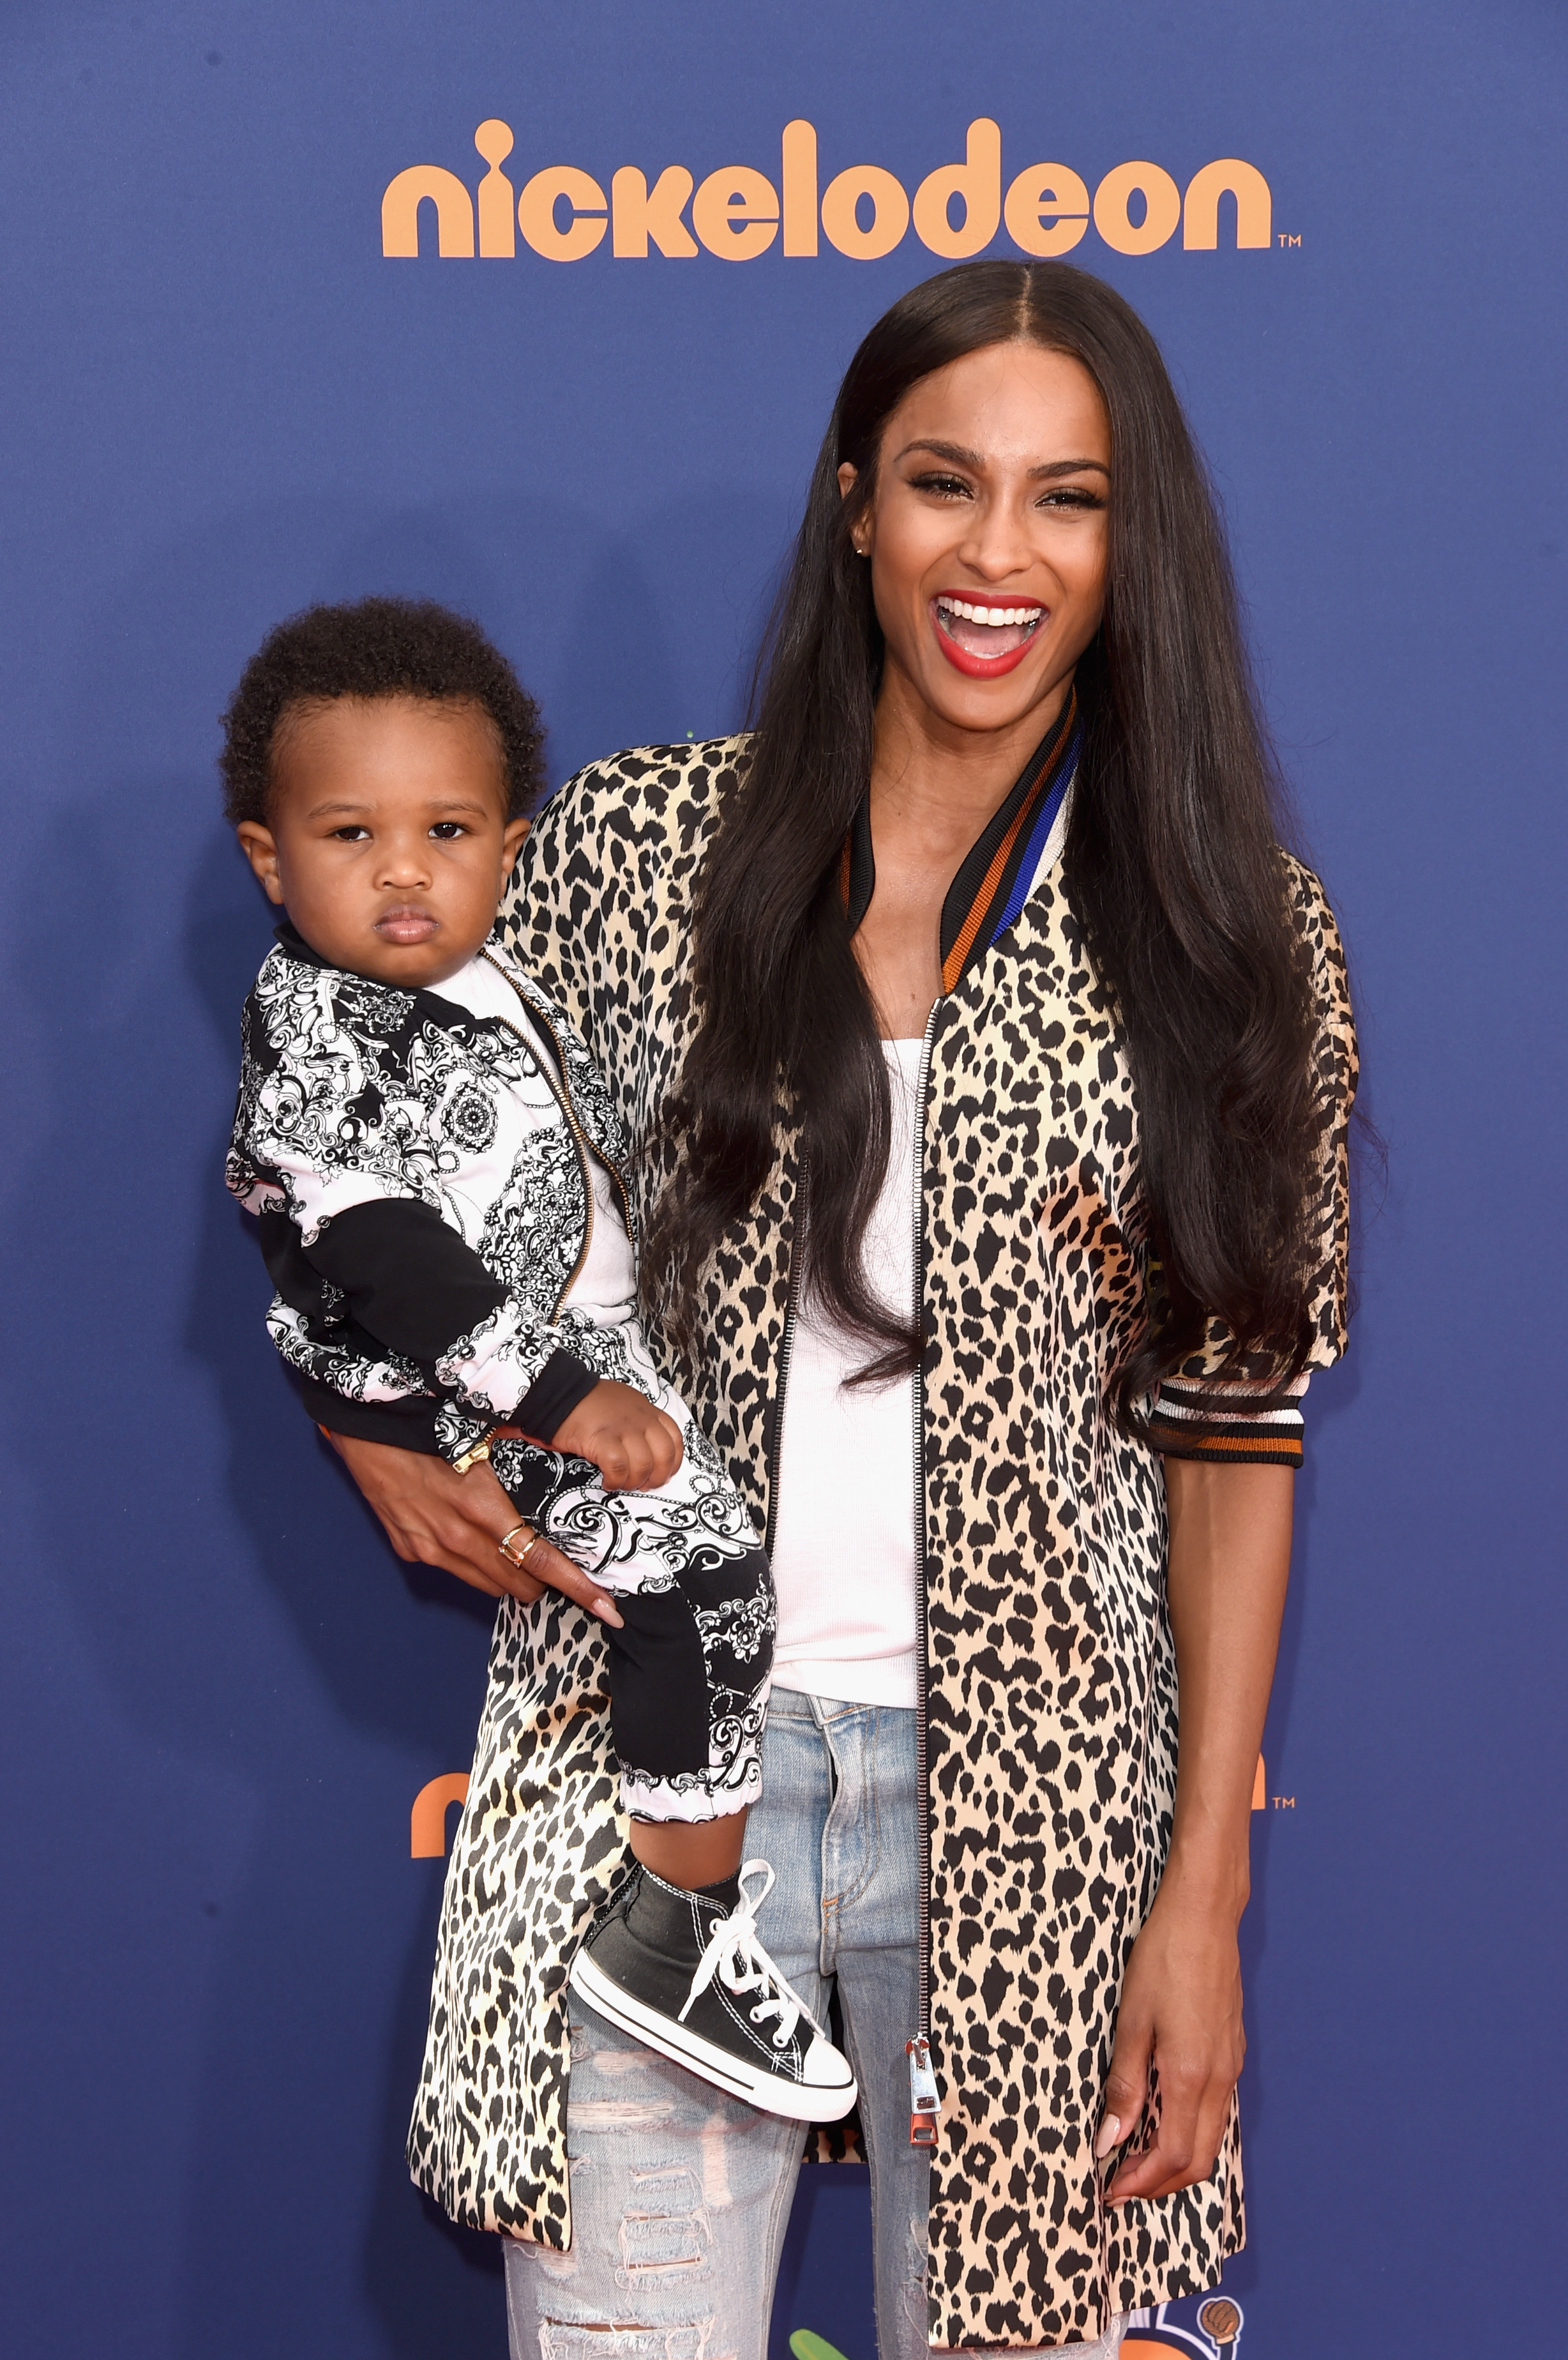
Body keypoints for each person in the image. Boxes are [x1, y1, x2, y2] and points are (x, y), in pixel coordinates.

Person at [326, 262, 1357, 2359]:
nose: (999, 555)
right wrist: (369, 1412)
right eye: (944, 484)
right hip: (649, 1781)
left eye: (1068, 497)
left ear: (1131, 537)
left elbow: (1235, 1433)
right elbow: (354, 1101)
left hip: (1044, 1815)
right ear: (854, 504)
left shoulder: (1225, 932)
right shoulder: (636, 848)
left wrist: (1203, 1895)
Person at [221, 596, 854, 2122]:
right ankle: (677, 1928)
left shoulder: (480, 971)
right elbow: (383, 1254)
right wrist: (566, 1401)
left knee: (708, 1567)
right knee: (702, 1579)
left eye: (444, 832)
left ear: (509, 849)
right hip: (468, 1392)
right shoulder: (318, 1024)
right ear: (270, 860)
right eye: (351, 835)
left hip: (572, 1351)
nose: (403, 872)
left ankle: (680, 1914)